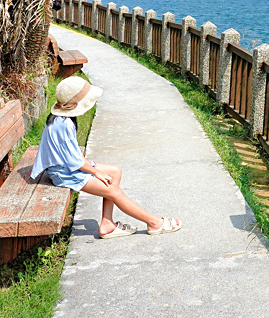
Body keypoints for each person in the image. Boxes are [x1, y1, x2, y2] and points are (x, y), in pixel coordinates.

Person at [31, 75, 181, 238]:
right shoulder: (62, 124)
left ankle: (107, 223)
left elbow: (69, 153)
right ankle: (154, 222)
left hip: (66, 167)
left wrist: (91, 166)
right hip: (64, 173)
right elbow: (72, 161)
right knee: (113, 191)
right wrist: (95, 172)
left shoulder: (62, 119)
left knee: (115, 171)